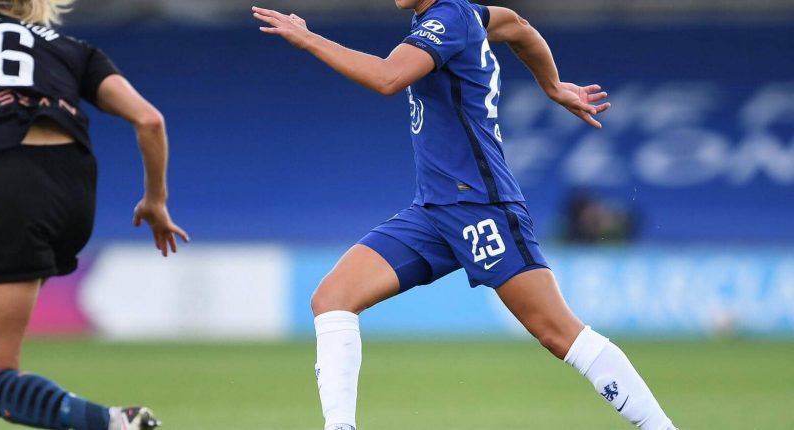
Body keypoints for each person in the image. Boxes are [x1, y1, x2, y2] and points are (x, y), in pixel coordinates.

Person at [253, 1, 676, 429]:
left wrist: (308, 38)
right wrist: (552, 86)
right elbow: (518, 25)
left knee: (560, 334)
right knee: (332, 298)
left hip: (481, 206)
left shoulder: (449, 18)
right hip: (432, 211)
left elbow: (388, 78)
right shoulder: (466, 14)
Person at [0, 0, 188, 429]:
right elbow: (150, 120)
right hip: (75, 189)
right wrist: (155, 200)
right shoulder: (75, 50)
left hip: (8, 183)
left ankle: (113, 422)